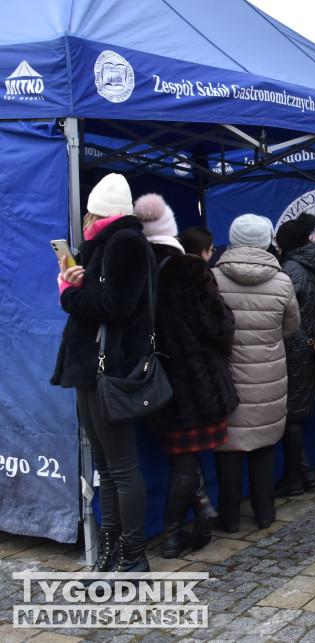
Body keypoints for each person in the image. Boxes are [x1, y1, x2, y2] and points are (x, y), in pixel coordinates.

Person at [52, 173, 155, 573]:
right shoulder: (111, 242)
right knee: (108, 467)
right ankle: (113, 553)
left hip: (108, 367)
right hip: (95, 367)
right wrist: (79, 282)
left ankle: (133, 555)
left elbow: (116, 306)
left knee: (120, 467)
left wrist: (69, 293)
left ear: (97, 210)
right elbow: (109, 297)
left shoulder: (124, 241)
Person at [133, 194, 238, 559]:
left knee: (183, 453)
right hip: (194, 380)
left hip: (152, 379)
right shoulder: (188, 269)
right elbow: (220, 326)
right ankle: (172, 533)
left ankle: (204, 507)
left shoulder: (133, 268)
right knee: (184, 457)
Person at [212, 215, 299, 532]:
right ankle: (265, 514)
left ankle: (230, 519)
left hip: (227, 378)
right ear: (267, 241)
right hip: (269, 376)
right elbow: (291, 327)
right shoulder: (282, 281)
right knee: (263, 445)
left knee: (228, 448)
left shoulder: (213, 279)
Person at [273, 213, 315, 496]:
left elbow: (286, 313)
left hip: (294, 346)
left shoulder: (291, 269)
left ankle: (294, 477)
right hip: (305, 344)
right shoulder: (307, 263)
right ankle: (304, 472)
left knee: (291, 416)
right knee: (292, 414)